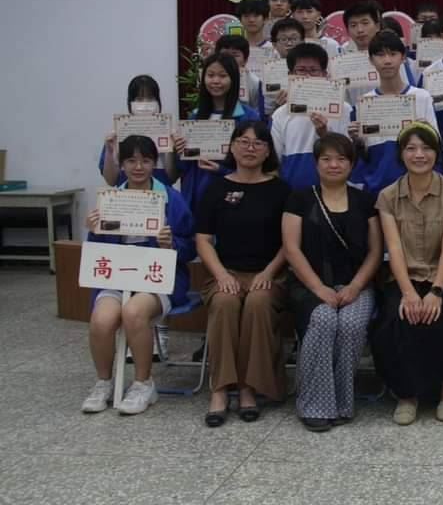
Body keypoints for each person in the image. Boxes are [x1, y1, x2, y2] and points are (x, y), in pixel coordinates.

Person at [81, 136, 194, 415]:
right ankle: (104, 382)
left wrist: (171, 244)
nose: (138, 167)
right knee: (101, 319)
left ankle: (144, 383)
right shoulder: (110, 200)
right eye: (131, 160)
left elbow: (191, 246)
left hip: (159, 277)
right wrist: (93, 230)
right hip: (119, 276)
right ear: (121, 164)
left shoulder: (171, 198)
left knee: (133, 312)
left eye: (145, 160)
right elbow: (98, 251)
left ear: (155, 163)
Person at [373, 123, 443, 425]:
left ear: (437, 153)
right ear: (401, 154)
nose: (419, 155)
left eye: (427, 148)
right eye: (411, 148)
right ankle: (407, 394)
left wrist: (436, 292)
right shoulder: (388, 196)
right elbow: (393, 247)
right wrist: (408, 293)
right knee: (394, 320)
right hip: (405, 275)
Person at [282, 133, 382, 432]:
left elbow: (375, 252)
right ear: (316, 163)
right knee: (324, 319)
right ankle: (314, 405)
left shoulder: (365, 201)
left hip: (357, 284)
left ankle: (341, 402)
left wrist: (355, 287)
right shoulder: (299, 198)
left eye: (341, 159)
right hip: (309, 285)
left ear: (352, 164)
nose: (333, 165)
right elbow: (291, 249)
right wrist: (318, 288)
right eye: (326, 159)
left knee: (351, 325)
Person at [195, 121, 291, 427]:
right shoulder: (216, 188)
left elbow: (290, 242)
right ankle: (220, 389)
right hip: (226, 273)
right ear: (232, 147)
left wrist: (269, 272)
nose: (250, 148)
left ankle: (249, 387)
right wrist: (222, 276)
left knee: (258, 303)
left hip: (270, 275)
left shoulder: (281, 190)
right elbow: (203, 239)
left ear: (268, 151)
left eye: (258, 143)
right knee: (224, 302)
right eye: (243, 141)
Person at [350, 31, 438, 193]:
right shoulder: (365, 102)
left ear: (403, 57)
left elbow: (435, 147)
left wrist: (428, 132)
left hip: (418, 185)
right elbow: (367, 155)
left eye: (393, 54)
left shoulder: (422, 97)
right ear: (371, 60)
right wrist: (358, 141)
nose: (387, 61)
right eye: (380, 55)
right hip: (378, 187)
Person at [173, 52, 260, 213]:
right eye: (211, 75)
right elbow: (184, 167)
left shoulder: (248, 117)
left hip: (234, 194)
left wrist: (221, 170)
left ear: (233, 79)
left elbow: (256, 164)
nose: (216, 81)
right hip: (197, 195)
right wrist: (179, 151)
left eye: (222, 75)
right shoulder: (195, 117)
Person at [271, 43, 351, 189]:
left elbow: (349, 154)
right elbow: (274, 159)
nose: (307, 76)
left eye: (314, 70)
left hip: (335, 189)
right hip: (293, 190)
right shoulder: (280, 114)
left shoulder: (343, 109)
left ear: (325, 74)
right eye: (301, 70)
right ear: (290, 75)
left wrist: (325, 134)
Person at [99, 75, 177, 187]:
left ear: (158, 102)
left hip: (160, 194)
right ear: (130, 103)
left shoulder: (168, 132)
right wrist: (109, 150)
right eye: (139, 99)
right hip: (128, 196)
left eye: (150, 98)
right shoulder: (118, 133)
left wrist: (170, 149)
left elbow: (172, 177)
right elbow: (111, 181)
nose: (145, 104)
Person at [215, 35, 265, 115]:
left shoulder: (255, 83)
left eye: (235, 55)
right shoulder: (211, 79)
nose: (229, 59)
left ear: (245, 60)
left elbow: (257, 111)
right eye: (225, 55)